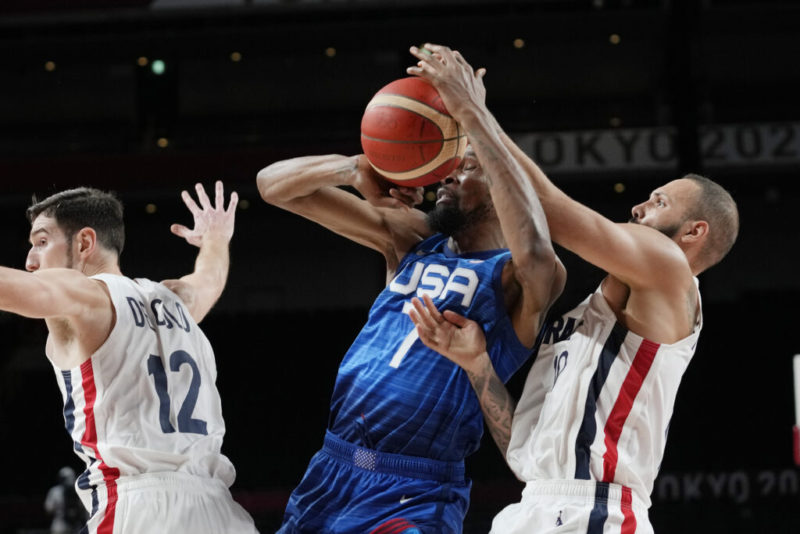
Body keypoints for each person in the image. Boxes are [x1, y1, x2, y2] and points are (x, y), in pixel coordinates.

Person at [407, 43, 740, 534]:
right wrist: (479, 367)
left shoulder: (670, 270)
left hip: (596, 513)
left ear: (694, 232)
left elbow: (551, 213)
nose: (638, 209)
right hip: (532, 508)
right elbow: (532, 455)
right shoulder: (588, 314)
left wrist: (474, 113)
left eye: (659, 202)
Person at [256, 46, 565, 533]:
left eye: (466, 168)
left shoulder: (518, 277)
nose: (447, 175)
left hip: (415, 488)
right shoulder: (413, 241)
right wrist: (354, 168)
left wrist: (471, 111)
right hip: (331, 467)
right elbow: (272, 185)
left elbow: (534, 245)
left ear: (502, 190)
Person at [4, 182, 258, 533]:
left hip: (138, 508)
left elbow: (20, 288)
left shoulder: (86, 296)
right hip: (220, 509)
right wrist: (216, 239)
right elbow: (209, 279)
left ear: (84, 243)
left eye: (42, 243)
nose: (31, 261)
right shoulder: (177, 301)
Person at [44, 466, 85, 534]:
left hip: (61, 523)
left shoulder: (55, 491)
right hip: (73, 524)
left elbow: (49, 509)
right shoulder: (79, 490)